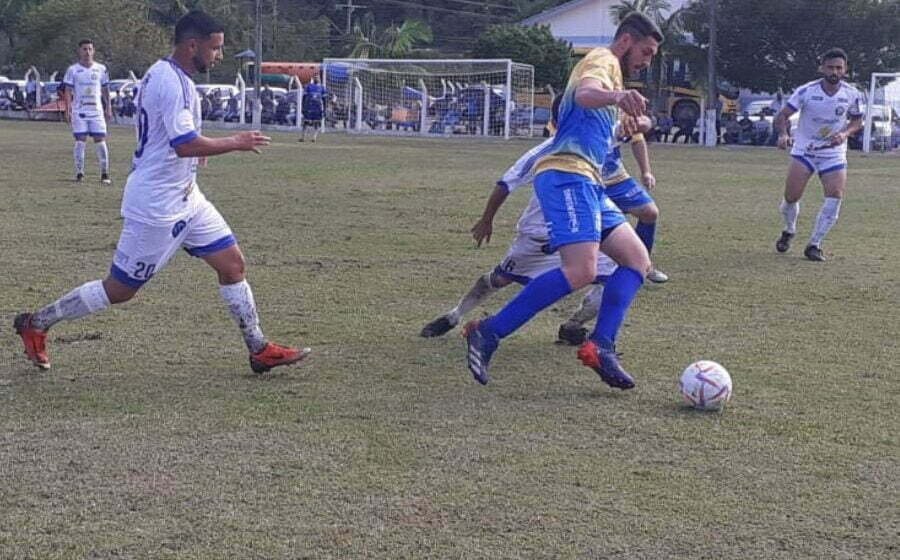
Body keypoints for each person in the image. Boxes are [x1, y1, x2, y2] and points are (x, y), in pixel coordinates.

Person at [13, 10, 309, 374]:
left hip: (187, 197)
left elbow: (174, 140)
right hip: (156, 206)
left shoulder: (164, 71)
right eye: (214, 49)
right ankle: (37, 322)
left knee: (233, 265)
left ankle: (259, 349)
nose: (218, 56)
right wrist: (235, 141)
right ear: (192, 45)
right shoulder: (173, 83)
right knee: (120, 290)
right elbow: (184, 143)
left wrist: (197, 156)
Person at [463, 11, 662, 390]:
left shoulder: (614, 77)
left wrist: (640, 121)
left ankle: (601, 347)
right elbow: (587, 94)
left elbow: (614, 124)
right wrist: (619, 95)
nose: (647, 61)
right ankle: (488, 332)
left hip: (589, 180)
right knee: (581, 271)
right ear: (626, 42)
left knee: (637, 260)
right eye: (647, 52)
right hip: (566, 174)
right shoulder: (602, 60)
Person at [773, 48, 863, 261]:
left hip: (833, 153)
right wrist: (783, 135)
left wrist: (845, 133)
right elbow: (782, 115)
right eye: (830, 67)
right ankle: (789, 229)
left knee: (835, 195)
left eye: (839, 68)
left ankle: (814, 244)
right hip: (804, 150)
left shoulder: (852, 93)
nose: (834, 71)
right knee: (791, 197)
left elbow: (857, 121)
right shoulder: (806, 91)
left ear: (845, 70)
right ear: (822, 68)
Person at [62, 39, 113, 185]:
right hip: (79, 112)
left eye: (90, 49)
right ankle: (79, 173)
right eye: (84, 49)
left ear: (94, 51)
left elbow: (105, 90)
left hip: (96, 111)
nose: (87, 52)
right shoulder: (73, 70)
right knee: (80, 141)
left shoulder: (101, 69)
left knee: (100, 141)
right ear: (79, 51)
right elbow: (67, 91)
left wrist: (108, 107)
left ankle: (104, 173)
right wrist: (68, 109)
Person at [299, 76, 327, 143]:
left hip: (317, 107)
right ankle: (303, 137)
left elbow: (324, 99)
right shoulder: (308, 86)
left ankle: (314, 138)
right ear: (313, 79)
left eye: (317, 77)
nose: (316, 79)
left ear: (320, 79)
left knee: (316, 123)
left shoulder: (322, 88)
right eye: (315, 77)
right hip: (309, 106)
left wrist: (325, 109)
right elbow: (304, 97)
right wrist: (303, 106)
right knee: (306, 122)